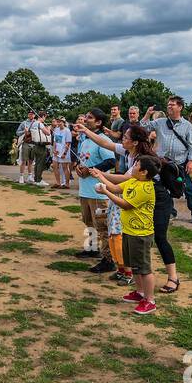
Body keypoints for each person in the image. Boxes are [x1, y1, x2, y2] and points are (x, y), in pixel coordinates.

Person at [90, 155, 162, 314]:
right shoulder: (133, 181)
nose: (133, 166)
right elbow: (115, 188)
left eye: (136, 165)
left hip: (141, 234)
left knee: (144, 268)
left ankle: (150, 301)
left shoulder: (145, 189)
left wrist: (105, 192)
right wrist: (100, 176)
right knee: (134, 265)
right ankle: (140, 292)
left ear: (143, 172)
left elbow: (125, 204)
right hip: (128, 231)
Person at [72, 109, 117, 274]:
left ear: (98, 122)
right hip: (85, 190)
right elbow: (83, 158)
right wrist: (78, 167)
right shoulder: (85, 139)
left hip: (99, 192)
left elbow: (111, 161)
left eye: (90, 118)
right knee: (89, 222)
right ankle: (91, 248)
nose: (86, 119)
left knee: (102, 226)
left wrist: (91, 169)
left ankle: (108, 259)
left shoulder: (103, 140)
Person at [15, 110, 37, 184]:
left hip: (34, 143)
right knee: (24, 160)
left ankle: (30, 176)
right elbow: (17, 132)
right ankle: (21, 176)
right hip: (26, 143)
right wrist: (24, 131)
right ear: (28, 115)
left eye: (32, 114)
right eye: (30, 114)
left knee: (31, 161)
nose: (31, 115)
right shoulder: (24, 123)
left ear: (34, 115)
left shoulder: (37, 123)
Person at [52, 117, 72, 188]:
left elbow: (68, 143)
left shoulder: (67, 131)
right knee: (55, 166)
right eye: (58, 121)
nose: (59, 123)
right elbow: (55, 141)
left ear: (64, 122)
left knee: (65, 167)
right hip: (56, 152)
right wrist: (54, 150)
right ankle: (58, 183)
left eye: (60, 121)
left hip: (64, 151)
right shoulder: (56, 130)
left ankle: (67, 184)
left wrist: (64, 153)